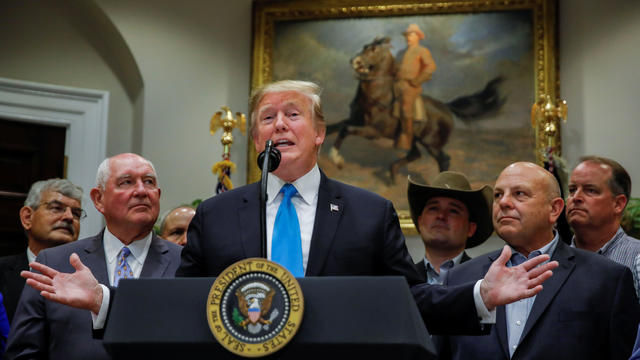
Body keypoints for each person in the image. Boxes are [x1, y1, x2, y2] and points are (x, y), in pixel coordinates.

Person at [19, 81, 557, 338]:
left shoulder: (369, 212)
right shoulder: (219, 212)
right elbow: (181, 306)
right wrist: (106, 302)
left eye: (293, 114)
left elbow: (408, 301)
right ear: (256, 136)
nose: (278, 124)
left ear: (320, 134)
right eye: (267, 116)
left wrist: (480, 298)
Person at [434, 162, 640, 360]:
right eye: (498, 195)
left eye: (519, 194)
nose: (503, 202)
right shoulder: (459, 278)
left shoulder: (607, 278)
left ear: (554, 209)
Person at [5, 153, 182, 360]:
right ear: (99, 199)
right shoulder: (53, 262)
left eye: (149, 182)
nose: (141, 191)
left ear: (158, 195)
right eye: (127, 182)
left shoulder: (185, 262)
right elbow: (23, 353)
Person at [0, 178, 83, 324]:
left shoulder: (87, 277)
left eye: (76, 213)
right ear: (27, 217)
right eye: (56, 208)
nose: (69, 217)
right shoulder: (2, 271)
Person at [408, 171, 493, 284]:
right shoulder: (403, 280)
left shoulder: (486, 281)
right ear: (420, 221)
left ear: (470, 229)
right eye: (433, 208)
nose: (441, 216)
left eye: (453, 211)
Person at [566, 156, 640, 269]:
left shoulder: (636, 257)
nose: (576, 197)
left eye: (590, 190)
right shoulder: (551, 261)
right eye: (572, 190)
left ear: (618, 204)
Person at [393, 23, 436, 150]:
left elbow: (431, 67)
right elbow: (395, 67)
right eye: (407, 35)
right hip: (397, 84)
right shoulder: (401, 52)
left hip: (411, 86)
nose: (408, 37)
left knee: (406, 110)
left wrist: (417, 81)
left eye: (411, 35)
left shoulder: (422, 51)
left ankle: (407, 138)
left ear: (418, 36)